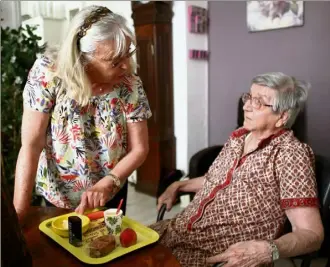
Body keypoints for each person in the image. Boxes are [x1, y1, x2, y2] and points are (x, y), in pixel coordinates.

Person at [152, 72, 324, 267]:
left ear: (282, 116)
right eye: (249, 97)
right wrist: (179, 184)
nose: (246, 106)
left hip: (214, 255)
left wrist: (268, 250)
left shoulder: (291, 154)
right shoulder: (240, 137)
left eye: (259, 102)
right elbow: (215, 179)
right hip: (177, 232)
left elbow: (312, 234)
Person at [13, 6, 152, 223]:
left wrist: (110, 181)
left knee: (106, 248)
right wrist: (18, 214)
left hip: (110, 190)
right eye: (115, 61)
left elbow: (140, 148)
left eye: (128, 53)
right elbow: (31, 144)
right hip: (58, 194)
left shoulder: (130, 84)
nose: (126, 66)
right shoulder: (48, 74)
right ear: (83, 59)